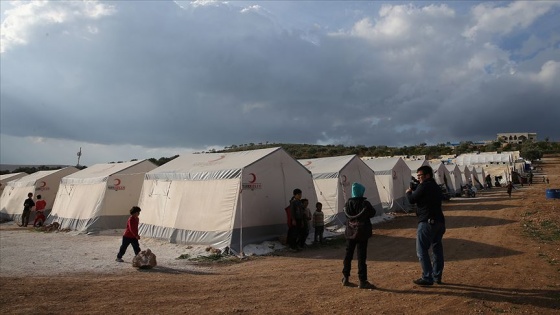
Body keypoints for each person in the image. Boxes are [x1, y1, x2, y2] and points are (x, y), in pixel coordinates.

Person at [406, 165, 445, 286]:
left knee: (422, 250)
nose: (418, 178)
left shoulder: (424, 186)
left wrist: (409, 192)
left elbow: (412, 199)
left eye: (420, 176)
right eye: (417, 176)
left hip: (427, 222)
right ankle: (436, 276)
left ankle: (427, 277)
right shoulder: (436, 187)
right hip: (439, 221)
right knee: (437, 249)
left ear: (427, 175)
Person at [342, 182, 376, 289]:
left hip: (350, 233)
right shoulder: (365, 204)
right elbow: (372, 213)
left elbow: (346, 215)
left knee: (348, 255)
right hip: (362, 233)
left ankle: (345, 277)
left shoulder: (347, 204)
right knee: (361, 257)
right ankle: (362, 280)